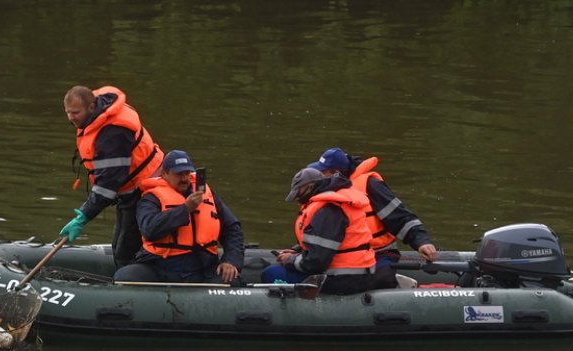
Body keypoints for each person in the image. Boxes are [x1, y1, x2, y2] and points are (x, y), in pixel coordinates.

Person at [59, 85, 164, 267]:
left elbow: (108, 185)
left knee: (125, 249)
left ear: (91, 107)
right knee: (119, 244)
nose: (71, 118)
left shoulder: (112, 135)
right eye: (68, 113)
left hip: (144, 188)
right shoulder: (96, 114)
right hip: (129, 188)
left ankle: (133, 288)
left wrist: (83, 216)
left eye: (75, 113)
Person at [306, 147, 437, 288]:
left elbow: (399, 217)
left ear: (336, 172)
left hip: (379, 254)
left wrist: (421, 241)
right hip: (346, 256)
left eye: (322, 172)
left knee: (380, 277)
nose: (318, 176)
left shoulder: (370, 186)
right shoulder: (331, 194)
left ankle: (396, 287)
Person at [112, 150, 244, 284]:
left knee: (233, 280)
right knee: (125, 276)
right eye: (179, 174)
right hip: (161, 266)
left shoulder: (207, 195)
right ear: (165, 174)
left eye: (187, 173)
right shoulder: (150, 198)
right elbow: (149, 230)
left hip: (202, 269)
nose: (185, 179)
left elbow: (232, 228)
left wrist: (231, 260)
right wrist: (185, 210)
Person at [261, 168, 376, 295]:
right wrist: (298, 251)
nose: (298, 198)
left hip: (344, 278)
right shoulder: (335, 202)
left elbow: (317, 261)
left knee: (272, 273)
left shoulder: (328, 209)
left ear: (309, 187)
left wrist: (291, 260)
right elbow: (326, 243)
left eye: (299, 193)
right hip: (357, 273)